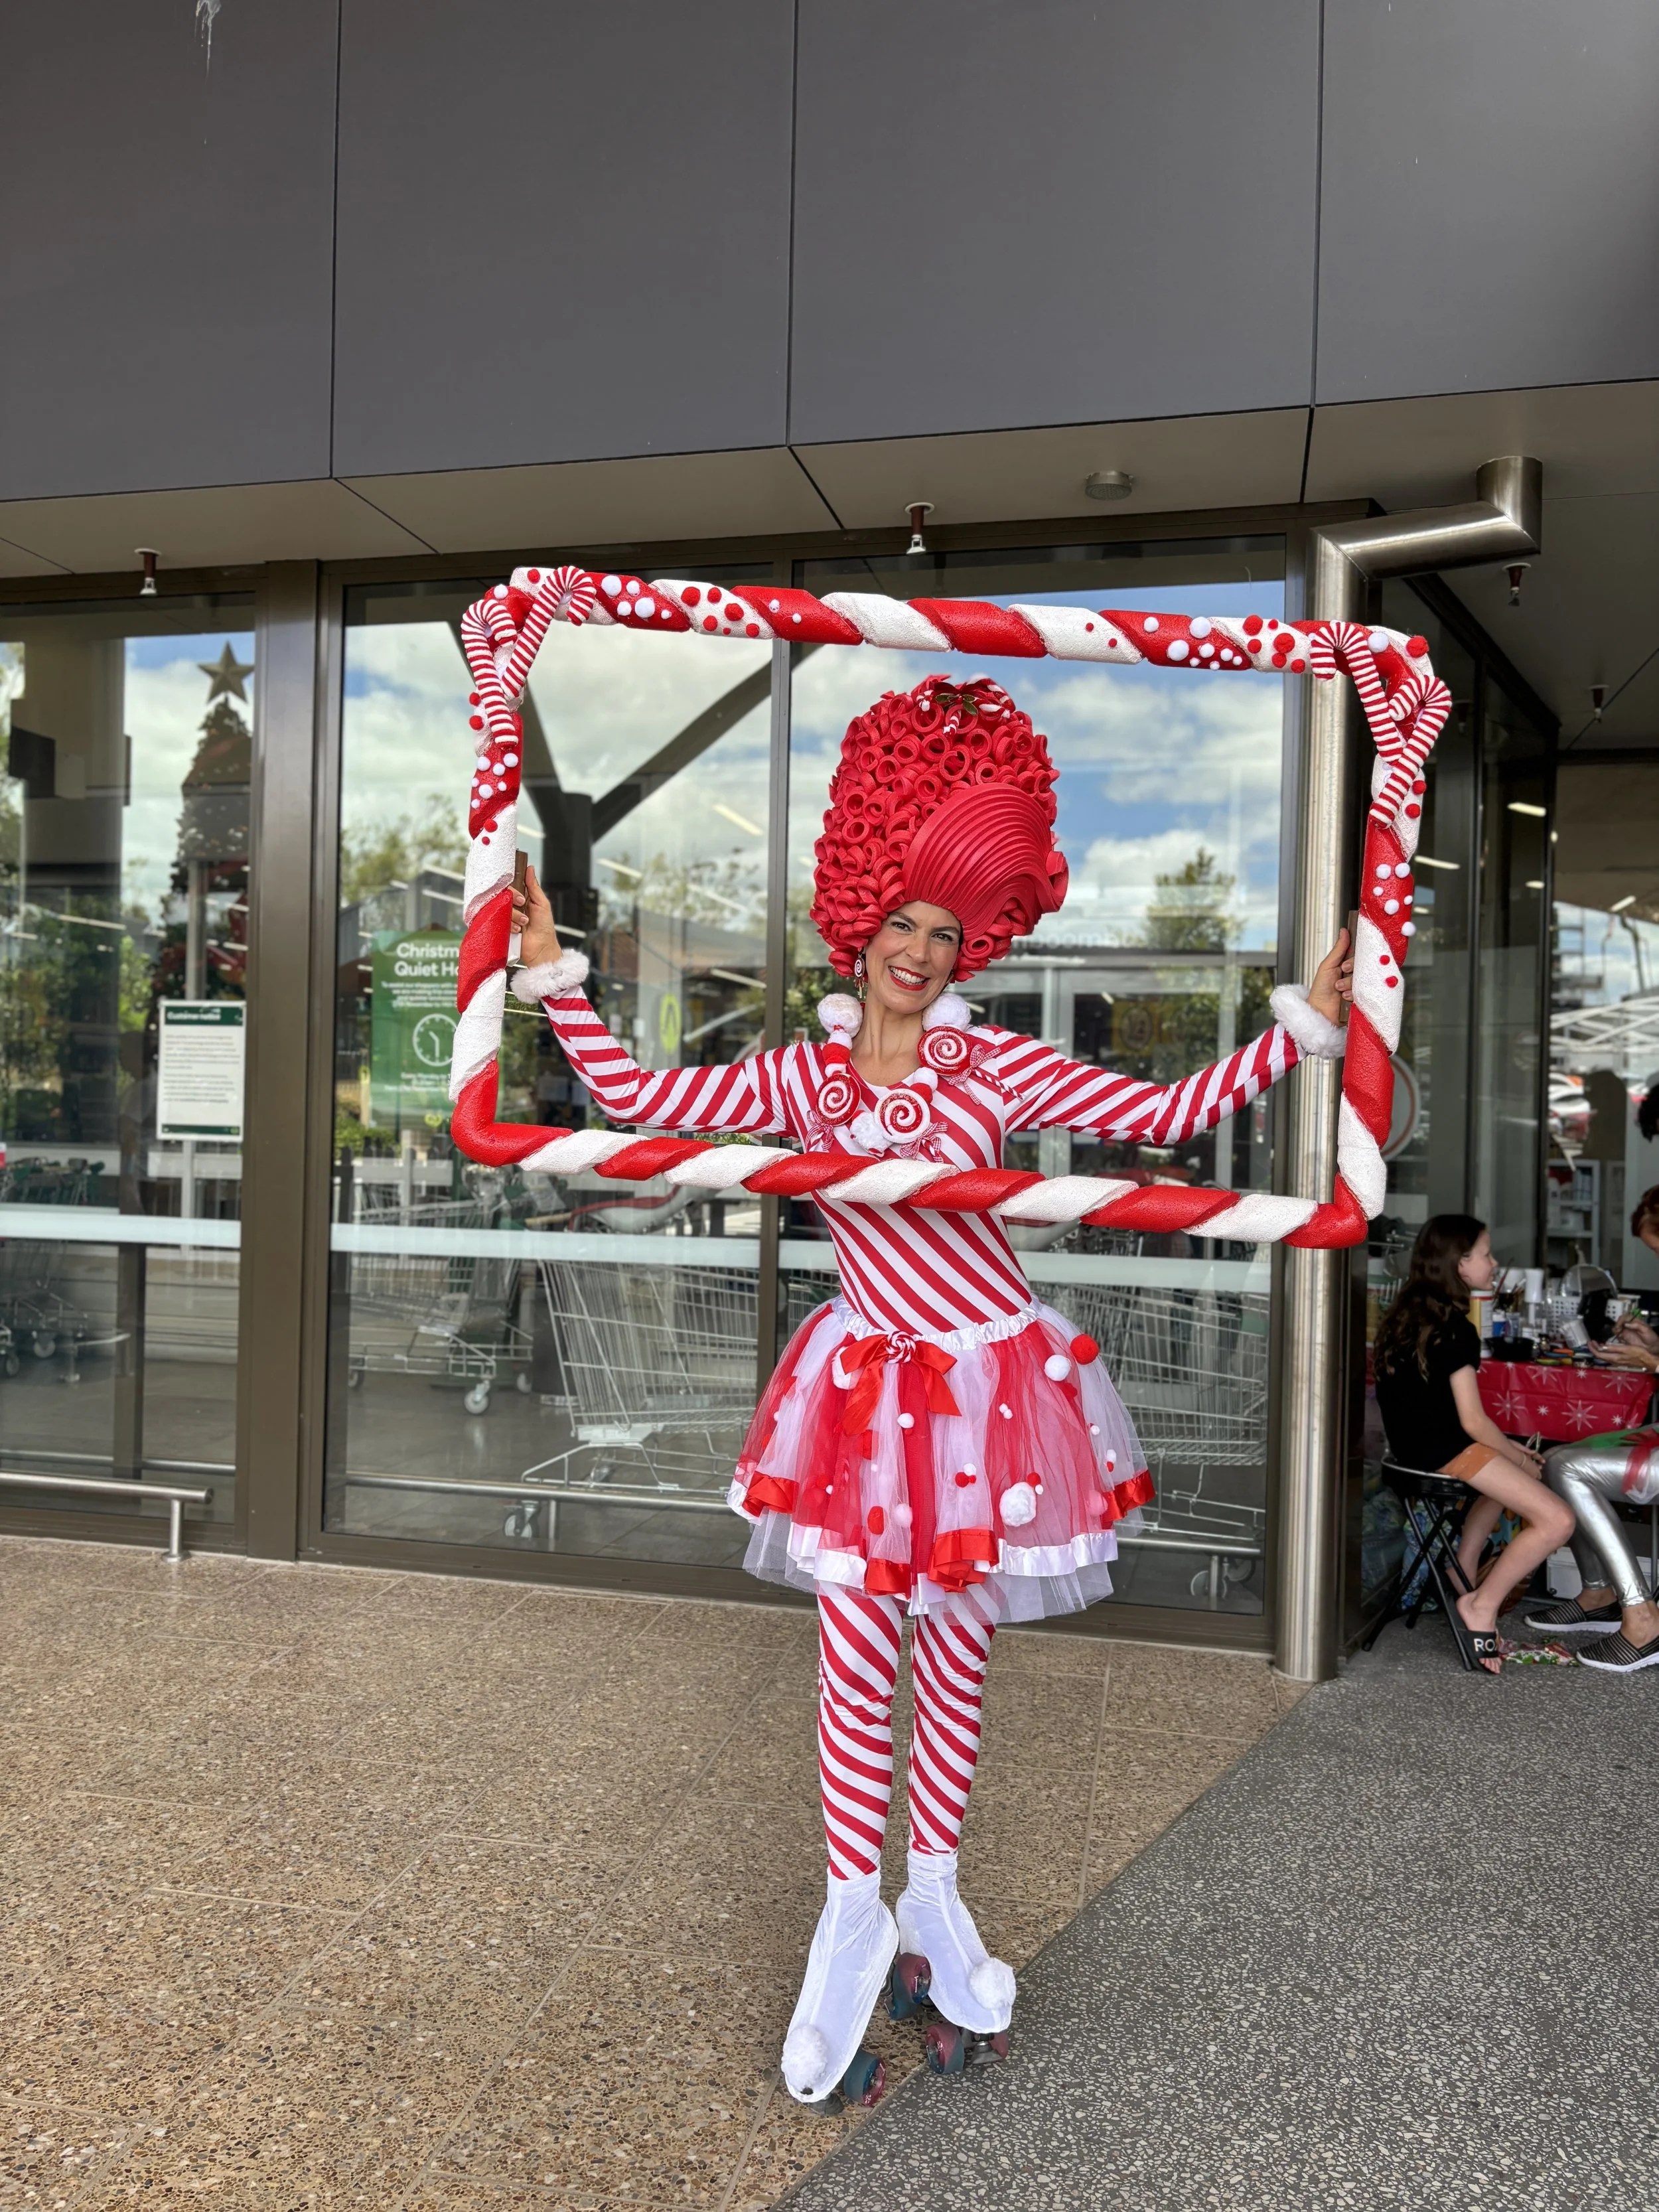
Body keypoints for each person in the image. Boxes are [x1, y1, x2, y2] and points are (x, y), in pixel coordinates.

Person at [510, 670, 1352, 2105]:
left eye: (945, 931)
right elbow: (642, 1107)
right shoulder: (798, 1077)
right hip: (860, 1391)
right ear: (858, 918)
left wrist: (1297, 1026)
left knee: (953, 1652)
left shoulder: (989, 1061)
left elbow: (1156, 1115)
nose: (917, 949)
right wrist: (555, 976)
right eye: (900, 920)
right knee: (854, 1653)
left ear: (975, 944)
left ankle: (933, 1892)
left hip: (989, 1392)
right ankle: (852, 1912)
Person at [1373, 1215, 1574, 1674]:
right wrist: (1516, 1452)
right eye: (1485, 1253)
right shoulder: (1455, 1326)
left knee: (1523, 1470)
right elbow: (1474, 1421)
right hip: (1446, 1451)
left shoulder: (1406, 1313)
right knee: (1557, 1519)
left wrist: (1515, 1458)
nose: (1493, 1262)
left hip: (1412, 1450)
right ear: (1459, 1263)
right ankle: (1481, 1604)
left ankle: (1460, 1566)